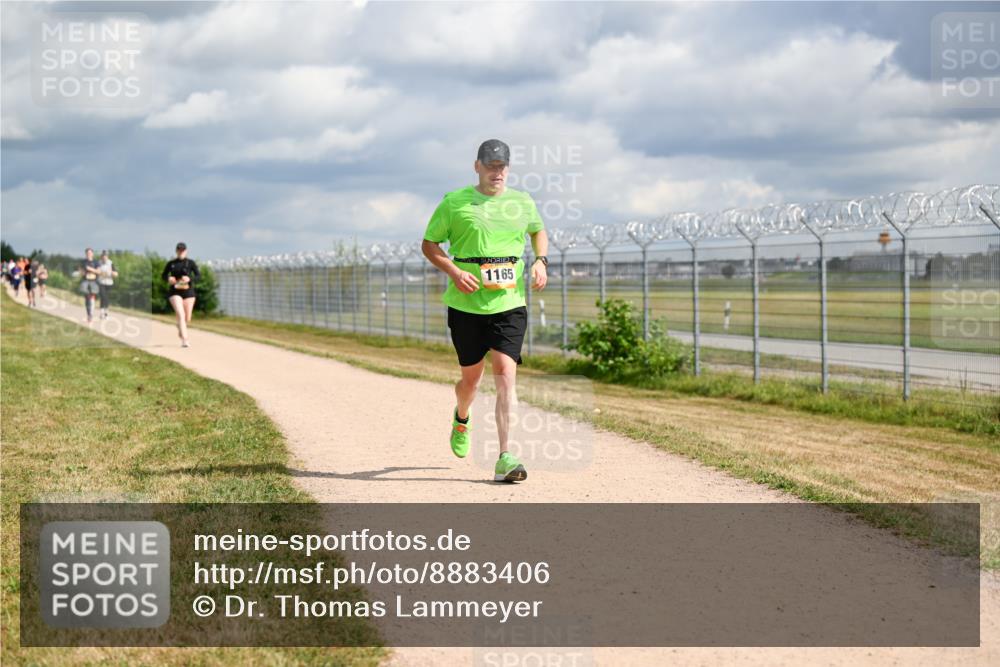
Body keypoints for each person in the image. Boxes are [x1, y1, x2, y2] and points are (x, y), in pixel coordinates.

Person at [420, 139, 548, 483]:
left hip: (509, 303)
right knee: (471, 381)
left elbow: (538, 230)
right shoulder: (455, 202)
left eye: (502, 166)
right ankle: (462, 417)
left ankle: (506, 456)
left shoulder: (521, 202)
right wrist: (454, 272)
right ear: (477, 166)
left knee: (505, 373)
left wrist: (541, 260)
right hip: (466, 305)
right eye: (490, 166)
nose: (497, 172)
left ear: (508, 168)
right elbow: (429, 244)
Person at [161, 242, 200, 347]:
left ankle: (180, 327)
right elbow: (163, 275)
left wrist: (189, 279)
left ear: (186, 251)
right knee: (180, 314)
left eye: (182, 250)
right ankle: (185, 340)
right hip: (175, 292)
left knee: (187, 318)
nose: (181, 252)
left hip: (188, 292)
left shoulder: (191, 263)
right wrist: (168, 278)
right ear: (176, 251)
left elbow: (198, 276)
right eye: (179, 250)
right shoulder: (171, 263)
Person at [79, 248, 101, 323]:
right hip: (85, 281)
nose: (89, 254)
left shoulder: (96, 262)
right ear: (86, 254)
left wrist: (90, 269)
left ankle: (91, 314)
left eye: (90, 253)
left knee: (92, 297)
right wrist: (83, 272)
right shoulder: (83, 262)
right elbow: (80, 271)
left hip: (94, 281)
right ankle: (89, 314)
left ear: (92, 254)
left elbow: (99, 272)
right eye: (87, 253)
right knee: (87, 298)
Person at [97, 251, 118, 319]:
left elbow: (116, 274)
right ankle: (101, 313)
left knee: (106, 298)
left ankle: (106, 313)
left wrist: (111, 272)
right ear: (101, 257)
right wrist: (100, 272)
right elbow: (97, 271)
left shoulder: (111, 263)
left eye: (105, 256)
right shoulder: (99, 263)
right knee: (102, 296)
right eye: (103, 256)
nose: (104, 258)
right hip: (101, 282)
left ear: (107, 257)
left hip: (109, 283)